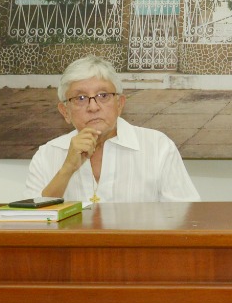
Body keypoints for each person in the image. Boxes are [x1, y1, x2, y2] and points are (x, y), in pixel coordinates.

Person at [26, 55, 199, 203]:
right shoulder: (47, 154)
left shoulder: (158, 146)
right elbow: (29, 224)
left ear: (119, 104)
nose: (93, 107)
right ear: (65, 112)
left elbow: (187, 217)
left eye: (103, 96)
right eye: (80, 98)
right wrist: (67, 169)